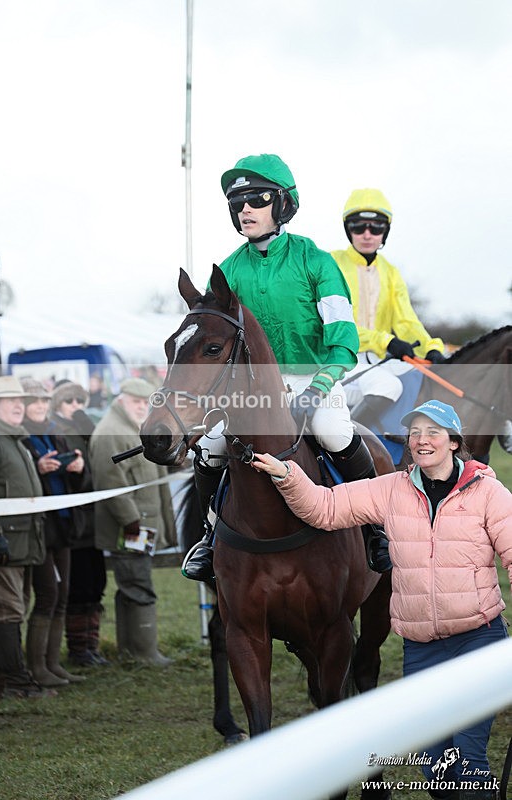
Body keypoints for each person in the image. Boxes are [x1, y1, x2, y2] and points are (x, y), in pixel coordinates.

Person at [252, 399, 512, 800]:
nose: (422, 441)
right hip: (421, 646)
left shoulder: (488, 492)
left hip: (478, 639)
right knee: (437, 768)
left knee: (469, 762)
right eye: (415, 433)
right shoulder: (392, 489)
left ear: (455, 442)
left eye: (433, 433)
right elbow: (325, 508)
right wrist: (289, 474)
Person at [184, 153, 390, 580]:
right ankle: (208, 536)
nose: (244, 209)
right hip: (252, 389)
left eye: (256, 199)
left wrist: (318, 388)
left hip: (313, 377)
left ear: (281, 205)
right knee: (209, 448)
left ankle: (375, 531)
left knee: (333, 431)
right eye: (237, 202)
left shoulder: (316, 261)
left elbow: (344, 340)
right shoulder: (227, 271)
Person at [331, 188, 447, 430]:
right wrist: (385, 341)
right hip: (338, 360)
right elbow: (335, 324)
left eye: (376, 228)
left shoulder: (391, 272)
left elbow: (407, 321)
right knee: (388, 386)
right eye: (358, 226)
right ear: (347, 229)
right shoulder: (330, 264)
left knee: (424, 381)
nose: (367, 234)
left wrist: (432, 348)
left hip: (378, 361)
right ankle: (347, 445)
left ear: (386, 231)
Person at [89, 378, 177, 665]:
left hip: (139, 526)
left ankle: (132, 650)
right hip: (130, 528)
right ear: (120, 400)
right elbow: (109, 482)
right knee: (137, 583)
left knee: (132, 583)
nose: (142, 407)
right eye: (136, 401)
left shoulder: (132, 428)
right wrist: (130, 520)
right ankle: (144, 653)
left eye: (145, 402)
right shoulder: (111, 432)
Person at [0, 376, 51, 699]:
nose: (19, 406)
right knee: (8, 610)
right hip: (2, 542)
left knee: (13, 609)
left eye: (21, 400)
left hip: (22, 540)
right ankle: (14, 681)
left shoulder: (13, 439)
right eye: (11, 401)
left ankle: (2, 679)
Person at [21, 378, 86, 686]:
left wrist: (78, 468)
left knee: (62, 595)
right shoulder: (20, 438)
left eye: (43, 401)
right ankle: (37, 668)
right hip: (37, 528)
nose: (39, 406)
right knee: (48, 594)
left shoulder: (55, 434)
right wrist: (38, 468)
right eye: (33, 401)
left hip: (62, 525)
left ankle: (53, 664)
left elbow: (81, 484)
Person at [49, 381, 108, 667]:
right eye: (69, 401)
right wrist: (79, 471)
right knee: (80, 585)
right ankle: (78, 649)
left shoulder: (86, 426)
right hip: (74, 519)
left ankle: (92, 645)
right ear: (58, 404)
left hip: (94, 517)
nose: (76, 406)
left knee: (97, 582)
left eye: (79, 400)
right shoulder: (56, 431)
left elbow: (101, 461)